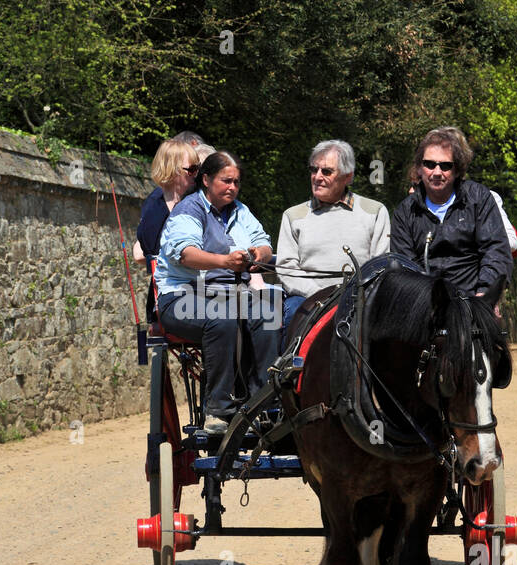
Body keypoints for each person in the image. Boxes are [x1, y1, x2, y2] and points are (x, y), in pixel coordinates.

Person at [155, 151, 281, 434]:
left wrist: (257, 252)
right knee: (222, 318)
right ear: (206, 180)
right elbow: (186, 255)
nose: (232, 188)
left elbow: (264, 244)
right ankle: (218, 411)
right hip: (181, 297)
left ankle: (262, 405)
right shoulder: (189, 210)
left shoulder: (241, 211)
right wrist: (226, 261)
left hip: (230, 295)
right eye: (226, 181)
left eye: (236, 182)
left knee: (270, 313)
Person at [389, 126, 513, 314]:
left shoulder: (479, 198)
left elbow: (495, 250)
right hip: (425, 305)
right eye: (429, 164)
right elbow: (404, 267)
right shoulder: (405, 212)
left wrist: (486, 294)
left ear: (457, 169)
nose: (437, 172)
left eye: (445, 166)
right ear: (419, 169)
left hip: (473, 301)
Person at [275, 139, 390, 334]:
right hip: (307, 299)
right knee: (293, 312)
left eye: (326, 171)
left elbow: (381, 265)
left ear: (348, 177)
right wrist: (318, 295)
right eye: (314, 170)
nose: (317, 177)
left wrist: (355, 296)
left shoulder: (374, 212)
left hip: (359, 299)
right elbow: (286, 268)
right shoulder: (293, 216)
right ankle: (291, 365)